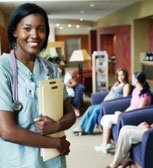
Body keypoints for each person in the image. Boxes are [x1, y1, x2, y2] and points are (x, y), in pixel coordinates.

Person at [0, 3, 76, 168]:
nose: (34, 35)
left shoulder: (51, 69)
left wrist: (57, 125)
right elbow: (6, 130)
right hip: (20, 162)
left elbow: (70, 115)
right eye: (27, 29)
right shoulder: (3, 69)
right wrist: (56, 143)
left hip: (53, 160)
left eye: (41, 29)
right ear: (14, 31)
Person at [95, 72, 152, 154]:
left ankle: (105, 144)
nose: (131, 79)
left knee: (106, 118)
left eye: (132, 78)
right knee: (106, 118)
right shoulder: (135, 91)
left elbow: (138, 112)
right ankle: (107, 144)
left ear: (137, 80)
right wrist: (122, 112)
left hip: (132, 117)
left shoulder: (145, 96)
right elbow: (131, 106)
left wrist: (122, 115)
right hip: (127, 114)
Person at [73, 68, 131, 135]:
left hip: (111, 105)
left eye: (122, 75)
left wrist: (111, 103)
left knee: (96, 110)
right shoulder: (117, 84)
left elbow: (124, 99)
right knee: (90, 108)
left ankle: (88, 129)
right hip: (105, 103)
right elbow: (110, 93)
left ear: (125, 76)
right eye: (118, 75)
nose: (120, 77)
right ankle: (80, 127)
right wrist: (105, 100)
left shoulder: (126, 85)